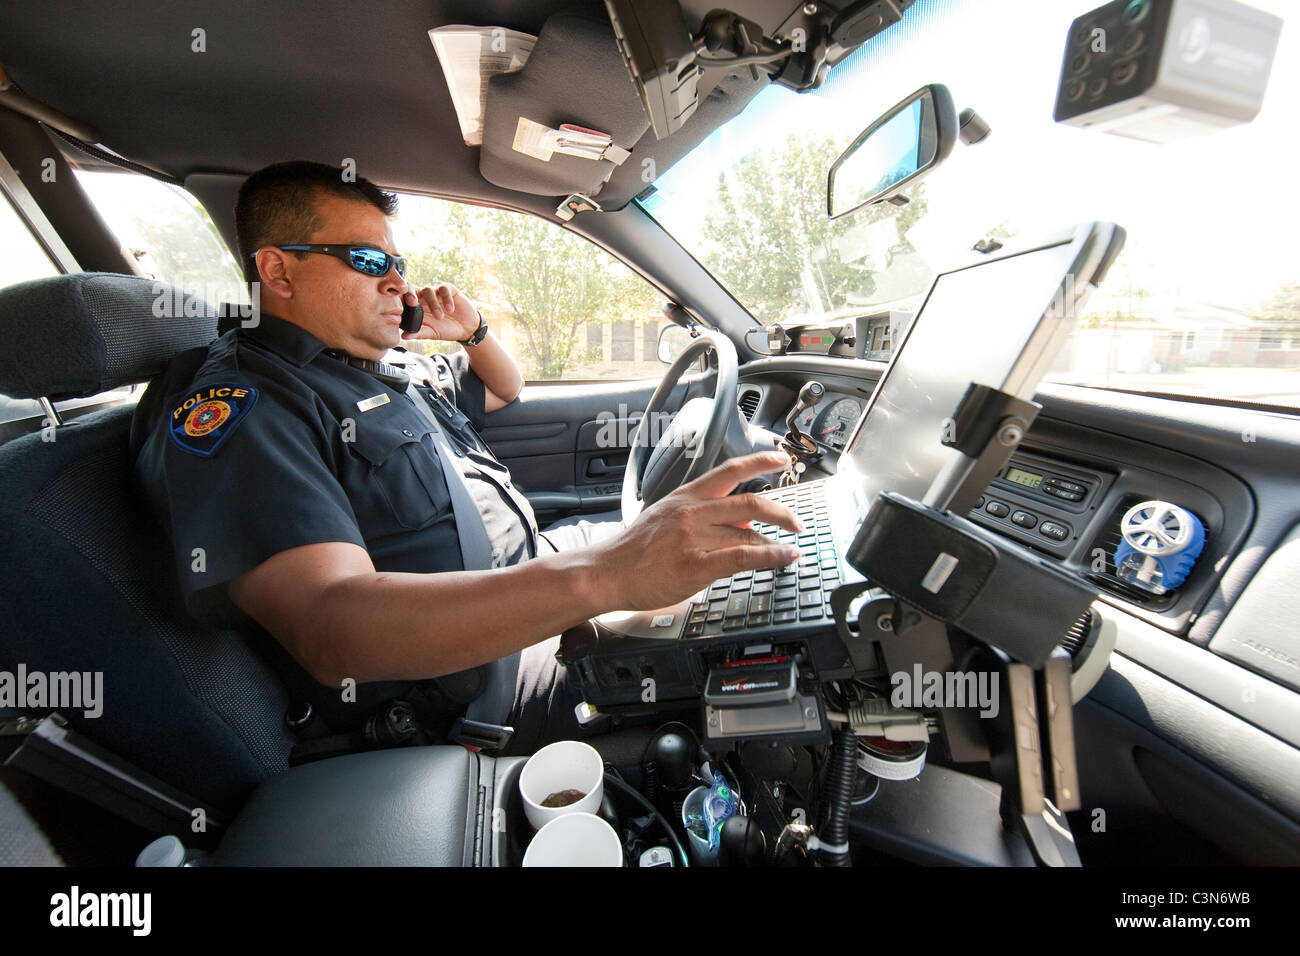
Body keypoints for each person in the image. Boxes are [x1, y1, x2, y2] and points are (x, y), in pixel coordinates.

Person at [130, 161, 801, 754]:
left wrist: (473, 332)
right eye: (369, 262)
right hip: (477, 687)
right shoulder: (244, 405)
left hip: (539, 576)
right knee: (762, 662)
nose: (400, 284)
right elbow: (331, 627)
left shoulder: (376, 369)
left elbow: (504, 389)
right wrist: (609, 576)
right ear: (278, 269)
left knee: (767, 577)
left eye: (401, 265)